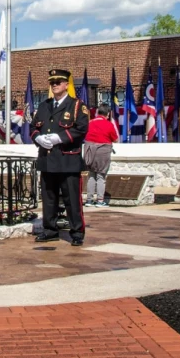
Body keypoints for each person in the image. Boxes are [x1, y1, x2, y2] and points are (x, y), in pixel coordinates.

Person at [29, 68, 89, 246]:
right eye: (52, 83)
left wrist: (59, 138)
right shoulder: (44, 106)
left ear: (66, 84)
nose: (54, 85)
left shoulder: (77, 105)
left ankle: (77, 232)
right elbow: (33, 127)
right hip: (47, 159)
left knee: (72, 199)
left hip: (67, 159)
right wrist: (38, 138)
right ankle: (50, 230)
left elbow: (81, 128)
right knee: (49, 198)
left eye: (58, 82)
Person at [83, 102, 119, 206]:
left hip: (89, 151)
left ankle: (89, 200)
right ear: (107, 114)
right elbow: (115, 139)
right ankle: (99, 200)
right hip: (103, 152)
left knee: (91, 175)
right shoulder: (109, 124)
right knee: (101, 176)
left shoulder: (90, 123)